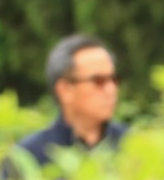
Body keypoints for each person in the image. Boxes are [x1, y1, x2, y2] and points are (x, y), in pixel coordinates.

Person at [15, 35, 127, 168]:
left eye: (113, 79)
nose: (111, 90)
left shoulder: (132, 145)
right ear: (65, 90)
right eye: (99, 81)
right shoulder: (29, 156)